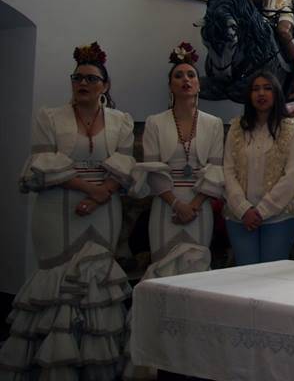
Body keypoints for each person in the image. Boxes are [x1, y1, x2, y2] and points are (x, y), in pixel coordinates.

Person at [0, 42, 138, 379]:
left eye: (92, 79)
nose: (84, 84)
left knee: (95, 284)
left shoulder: (121, 122)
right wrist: (90, 190)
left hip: (104, 210)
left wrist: (99, 195)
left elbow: (124, 167)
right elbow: (43, 166)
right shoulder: (50, 117)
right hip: (57, 209)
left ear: (104, 86)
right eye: (78, 78)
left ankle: (94, 365)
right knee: (58, 283)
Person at [141, 42, 225, 278]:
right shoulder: (154, 122)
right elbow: (153, 171)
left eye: (191, 75)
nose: (185, 80)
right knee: (163, 268)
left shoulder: (214, 123)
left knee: (196, 270)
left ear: (198, 85)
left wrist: (194, 206)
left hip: (200, 207)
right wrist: (178, 205)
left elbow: (217, 170)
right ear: (170, 86)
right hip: (166, 205)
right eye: (178, 76)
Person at [222, 71, 294, 265]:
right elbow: (228, 171)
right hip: (240, 216)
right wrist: (244, 209)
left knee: (271, 278)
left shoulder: (290, 128)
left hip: (280, 217)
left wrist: (262, 211)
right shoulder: (236, 128)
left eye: (267, 88)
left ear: (276, 94)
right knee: (246, 273)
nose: (261, 93)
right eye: (256, 89)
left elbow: (292, 176)